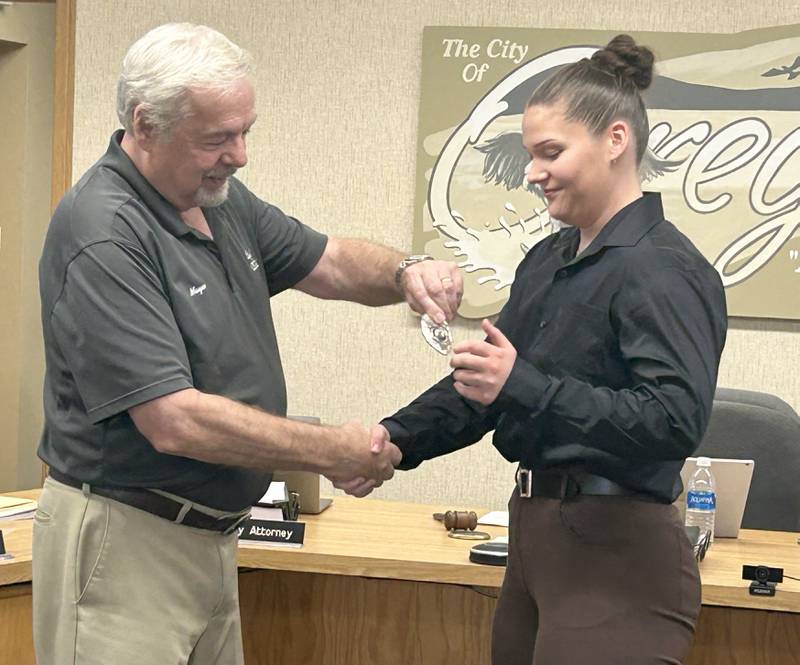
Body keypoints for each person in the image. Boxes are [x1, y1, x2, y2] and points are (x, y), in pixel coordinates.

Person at [33, 22, 462, 665]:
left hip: (211, 540)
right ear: (145, 125)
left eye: (244, 132)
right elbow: (173, 419)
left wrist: (407, 273)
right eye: (217, 138)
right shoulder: (104, 230)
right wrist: (331, 450)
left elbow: (332, 263)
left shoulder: (219, 200)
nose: (239, 155)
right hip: (125, 543)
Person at [374, 35, 728, 664]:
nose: (533, 172)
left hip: (618, 554)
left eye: (550, 152)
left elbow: (674, 420)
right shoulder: (547, 260)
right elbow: (487, 384)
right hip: (534, 539)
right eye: (529, 154)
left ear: (615, 141)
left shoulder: (663, 269)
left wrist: (524, 386)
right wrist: (390, 441)